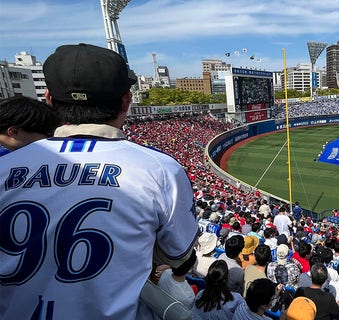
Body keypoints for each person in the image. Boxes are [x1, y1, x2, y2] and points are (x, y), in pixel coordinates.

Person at [0, 43, 198, 319]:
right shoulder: (159, 169)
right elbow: (178, 255)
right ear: (126, 101)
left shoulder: (4, 166)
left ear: (48, 98)